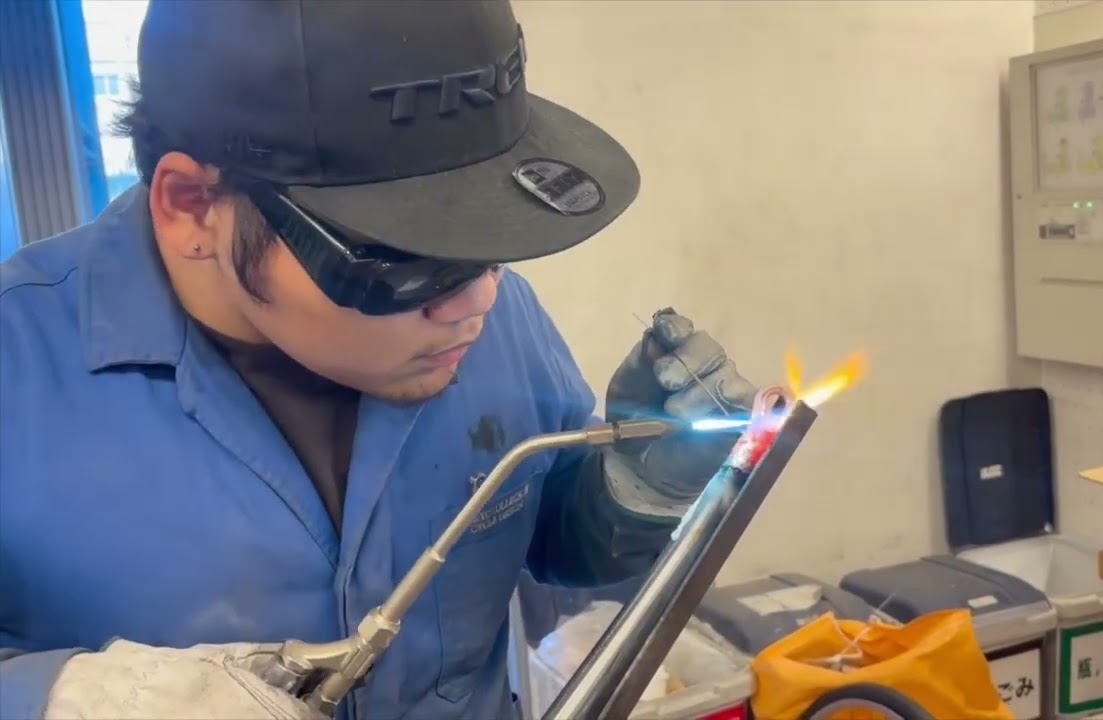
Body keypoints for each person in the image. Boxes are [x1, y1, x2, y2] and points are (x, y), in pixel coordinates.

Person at [0, 2, 760, 719]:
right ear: (194, 205)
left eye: (486, 244)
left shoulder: (491, 316)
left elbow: (544, 532)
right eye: (402, 258)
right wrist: (55, 695)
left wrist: (628, 494)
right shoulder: (18, 368)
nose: (477, 301)